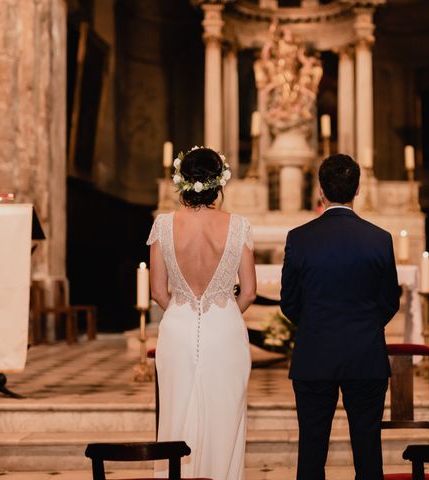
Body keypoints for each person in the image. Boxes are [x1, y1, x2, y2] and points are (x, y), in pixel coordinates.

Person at [280, 154, 400, 480]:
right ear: (357, 189)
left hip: (314, 355)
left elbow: (288, 302)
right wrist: (365, 326)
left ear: (320, 190)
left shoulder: (299, 238)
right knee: (368, 454)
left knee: (311, 454)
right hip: (366, 356)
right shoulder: (379, 239)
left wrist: (316, 325)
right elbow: (390, 300)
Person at [147, 147, 256, 479]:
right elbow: (249, 291)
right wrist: (221, 314)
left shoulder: (163, 225)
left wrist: (185, 311)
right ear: (219, 183)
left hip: (176, 329)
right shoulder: (237, 225)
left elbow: (157, 291)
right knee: (225, 418)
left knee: (176, 413)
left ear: (182, 181)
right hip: (226, 331)